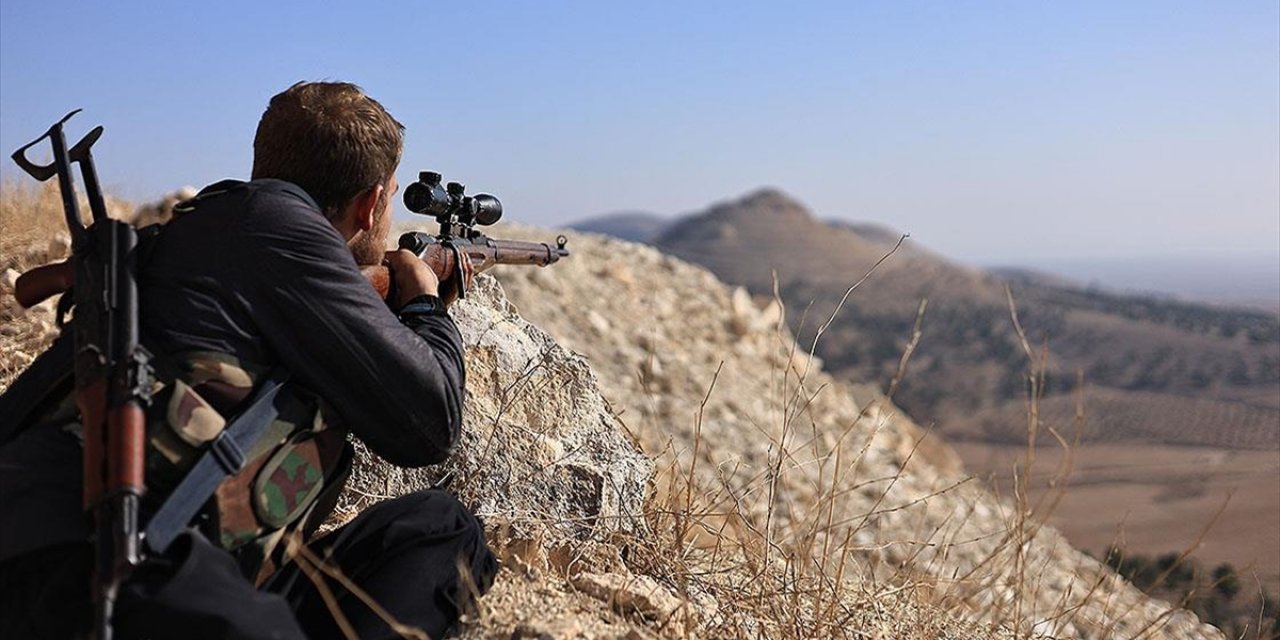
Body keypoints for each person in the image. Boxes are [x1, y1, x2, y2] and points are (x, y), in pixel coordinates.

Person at [0, 81, 497, 639]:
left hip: (72, 529)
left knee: (441, 530)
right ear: (373, 203)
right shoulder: (283, 233)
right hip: (107, 561)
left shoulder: (202, 229)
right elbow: (430, 426)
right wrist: (427, 306)